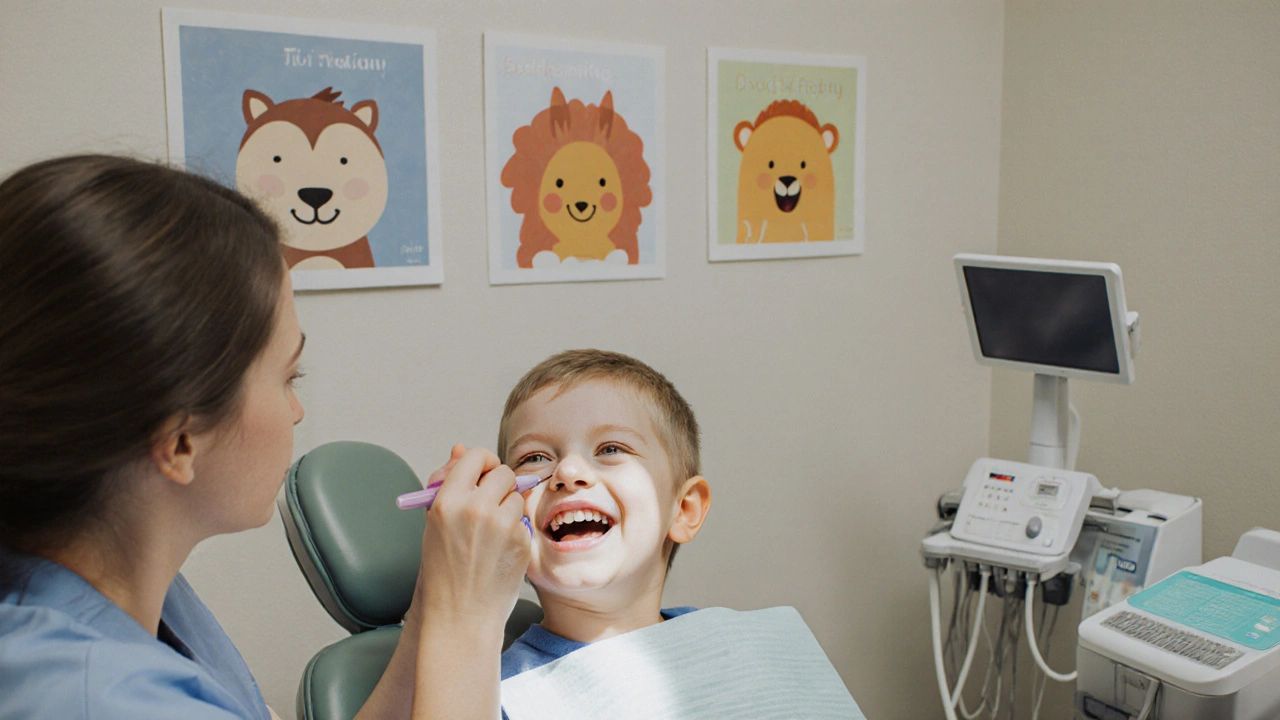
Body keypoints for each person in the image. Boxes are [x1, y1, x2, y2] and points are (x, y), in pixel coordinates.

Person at [0, 155, 529, 720]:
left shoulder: (121, 588)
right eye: (287, 377)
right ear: (180, 440)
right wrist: (467, 620)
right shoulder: (96, 699)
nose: (297, 411)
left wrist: (430, 610)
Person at [496, 349, 712, 680]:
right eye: (535, 457)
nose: (567, 471)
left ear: (683, 509)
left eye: (610, 449)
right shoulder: (490, 696)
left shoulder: (740, 647)